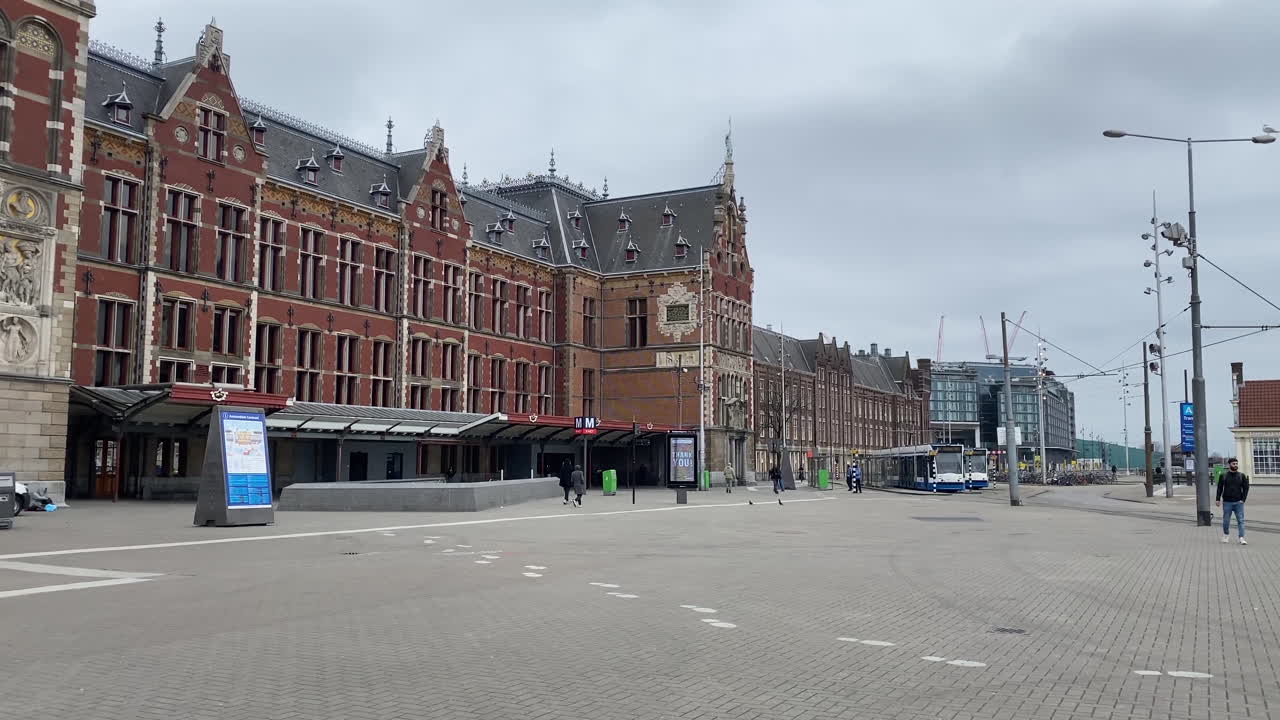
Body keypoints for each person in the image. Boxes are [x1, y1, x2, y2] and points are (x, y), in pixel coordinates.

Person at [1216, 457, 1250, 544]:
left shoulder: (1241, 476)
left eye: (1236, 464)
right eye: (1233, 464)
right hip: (1227, 502)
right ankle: (1226, 535)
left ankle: (1241, 537)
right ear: (1229, 465)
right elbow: (1219, 488)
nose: (1235, 465)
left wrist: (1243, 499)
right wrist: (1218, 499)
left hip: (1238, 502)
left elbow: (1246, 488)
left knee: (1240, 520)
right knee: (1226, 520)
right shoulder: (1223, 476)